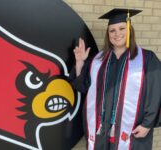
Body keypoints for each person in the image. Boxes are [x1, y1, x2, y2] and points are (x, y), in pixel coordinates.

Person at [69, 8, 161, 150]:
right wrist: (80, 62)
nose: (117, 34)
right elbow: (83, 87)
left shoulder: (147, 59)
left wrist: (147, 124)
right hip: (101, 130)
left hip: (133, 130)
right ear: (108, 34)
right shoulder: (98, 60)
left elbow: (156, 93)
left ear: (130, 30)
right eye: (112, 30)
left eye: (122, 28)